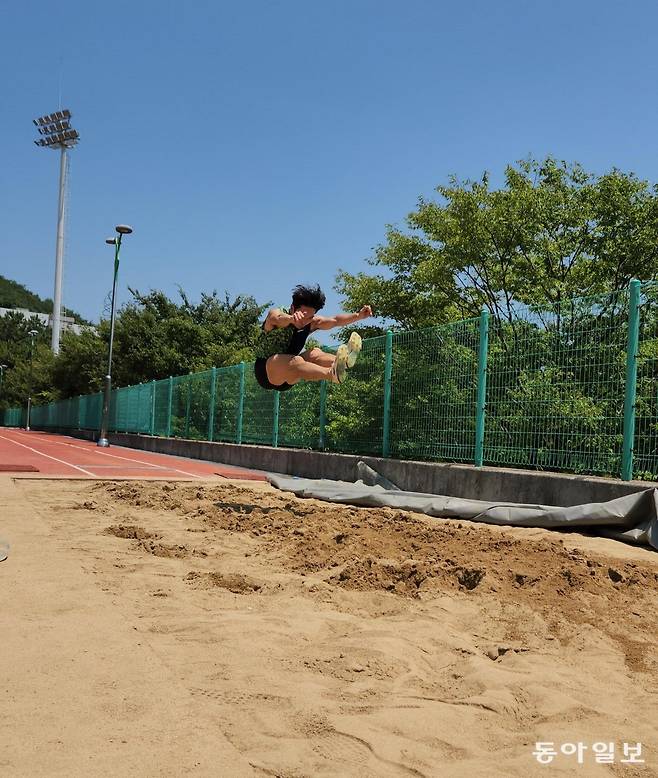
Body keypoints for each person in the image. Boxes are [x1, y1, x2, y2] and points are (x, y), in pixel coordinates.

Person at [253, 284, 373, 391]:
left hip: (291, 374)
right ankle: (331, 374)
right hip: (267, 372)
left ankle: (343, 362)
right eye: (303, 316)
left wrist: (358, 315)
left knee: (315, 352)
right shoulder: (277, 314)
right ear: (292, 308)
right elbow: (276, 318)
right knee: (296, 360)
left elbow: (335, 320)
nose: (305, 321)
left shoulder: (311, 322)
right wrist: (291, 319)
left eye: (309, 317)